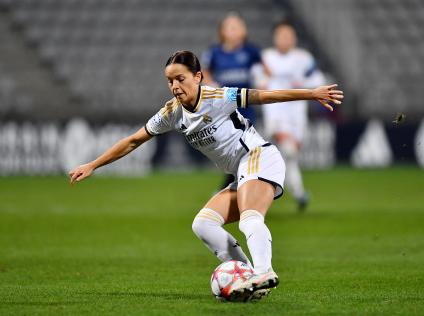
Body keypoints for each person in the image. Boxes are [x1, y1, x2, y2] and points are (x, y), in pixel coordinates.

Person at [69, 51, 343, 301]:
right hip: (242, 172)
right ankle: (249, 278)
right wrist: (94, 164)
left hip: (259, 157)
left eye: (180, 78)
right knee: (203, 224)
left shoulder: (219, 97)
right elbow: (133, 140)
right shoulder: (172, 113)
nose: (175, 86)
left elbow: (264, 95)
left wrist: (311, 94)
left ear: (198, 76)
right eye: (170, 81)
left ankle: (264, 271)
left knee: (250, 218)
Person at [259, 22, 326, 210]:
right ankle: (267, 193)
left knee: (288, 157)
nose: (285, 39)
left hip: (297, 114)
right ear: (275, 38)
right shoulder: (266, 57)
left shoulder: (304, 58)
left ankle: (298, 193)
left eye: (289, 35)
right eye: (281, 35)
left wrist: (304, 82)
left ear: (295, 38)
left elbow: (318, 80)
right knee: (288, 151)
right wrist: (262, 83)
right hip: (275, 112)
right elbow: (257, 78)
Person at [202, 12, 266, 189]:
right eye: (231, 26)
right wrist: (212, 85)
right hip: (224, 110)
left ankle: (231, 189)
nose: (236, 30)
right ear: (222, 32)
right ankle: (234, 188)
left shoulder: (252, 51)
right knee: (234, 152)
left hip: (246, 108)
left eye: (239, 26)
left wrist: (262, 79)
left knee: (244, 150)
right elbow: (205, 73)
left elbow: (265, 71)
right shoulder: (214, 52)